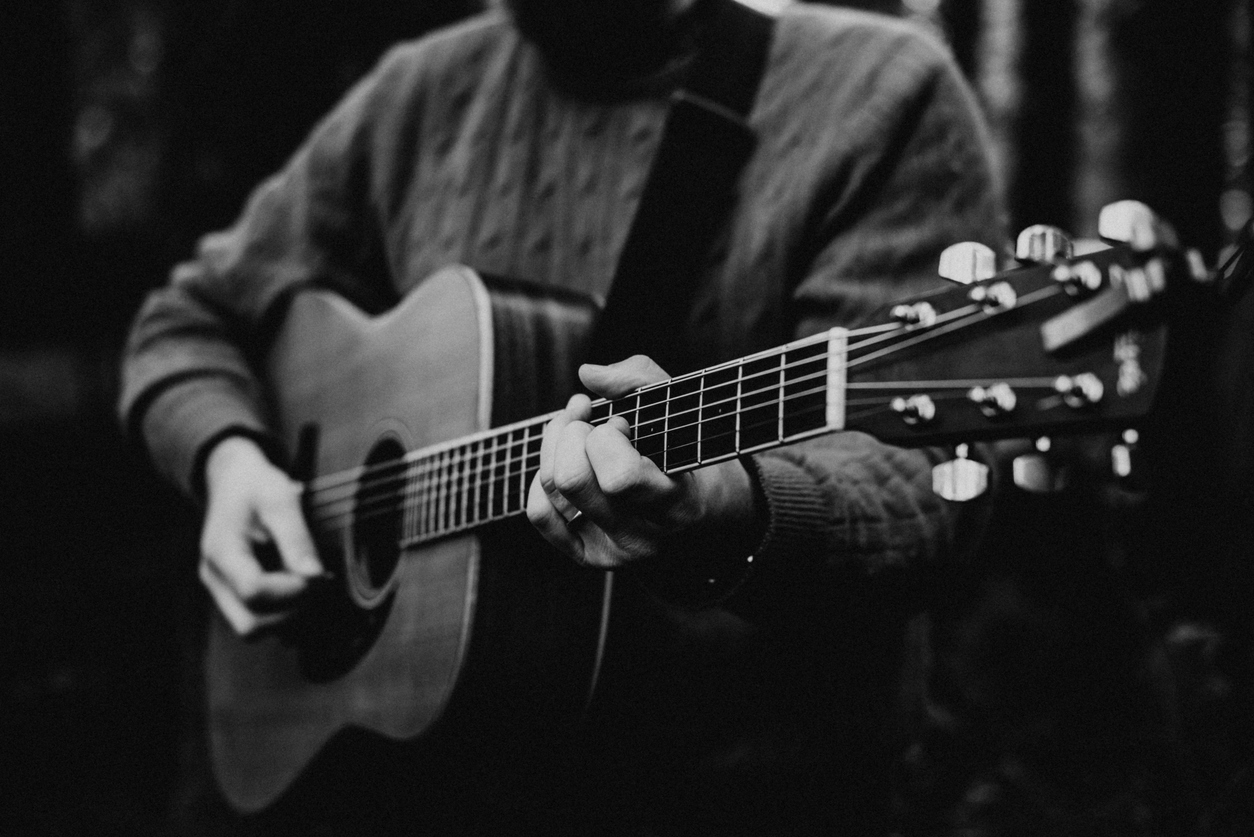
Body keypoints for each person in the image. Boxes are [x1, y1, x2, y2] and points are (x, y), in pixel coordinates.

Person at [119, 0, 1006, 833]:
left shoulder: (880, 94)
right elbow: (191, 319)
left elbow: (916, 474)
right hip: (413, 795)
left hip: (738, 792)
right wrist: (229, 459)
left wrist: (727, 505)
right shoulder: (421, 94)